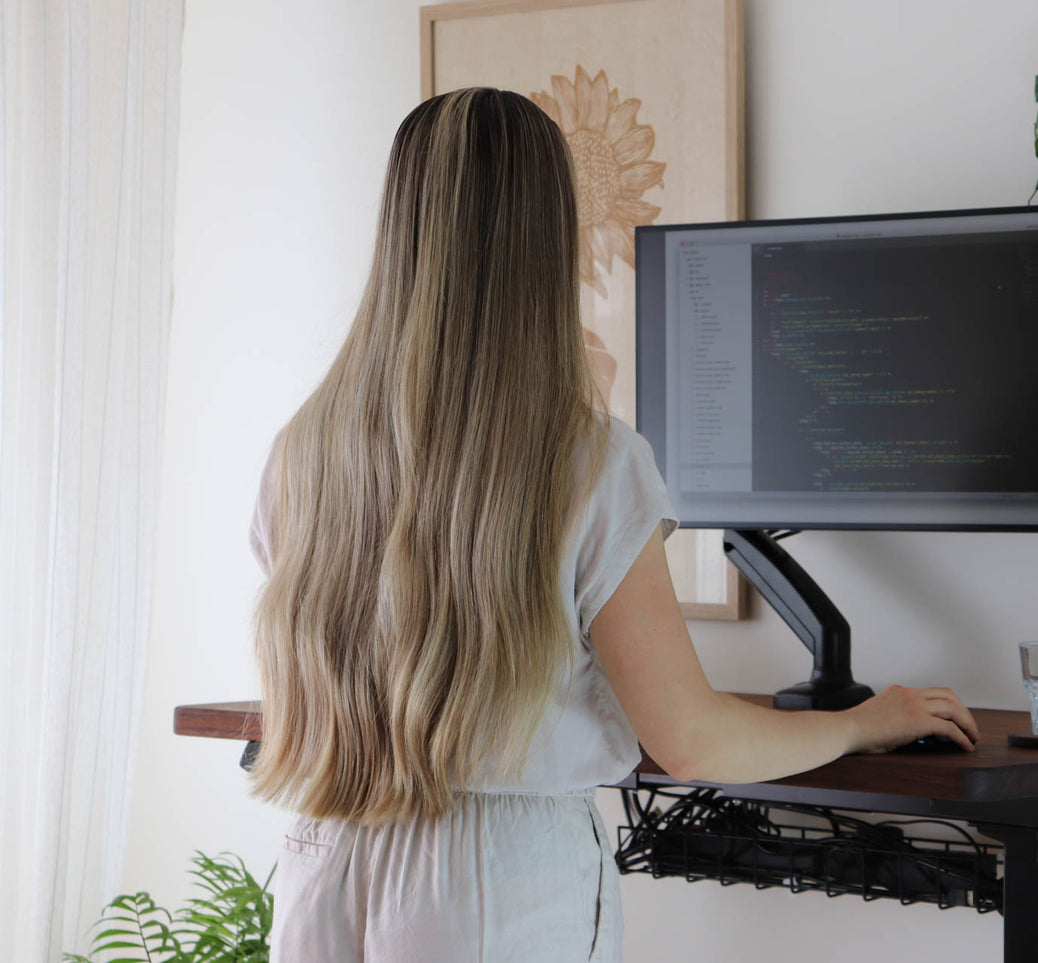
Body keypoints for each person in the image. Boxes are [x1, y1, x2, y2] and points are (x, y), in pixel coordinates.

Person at [247, 87, 980, 963]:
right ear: (548, 238)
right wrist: (866, 720)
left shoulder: (307, 447)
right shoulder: (588, 459)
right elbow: (690, 737)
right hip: (491, 881)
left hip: (324, 853)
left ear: (399, 225)